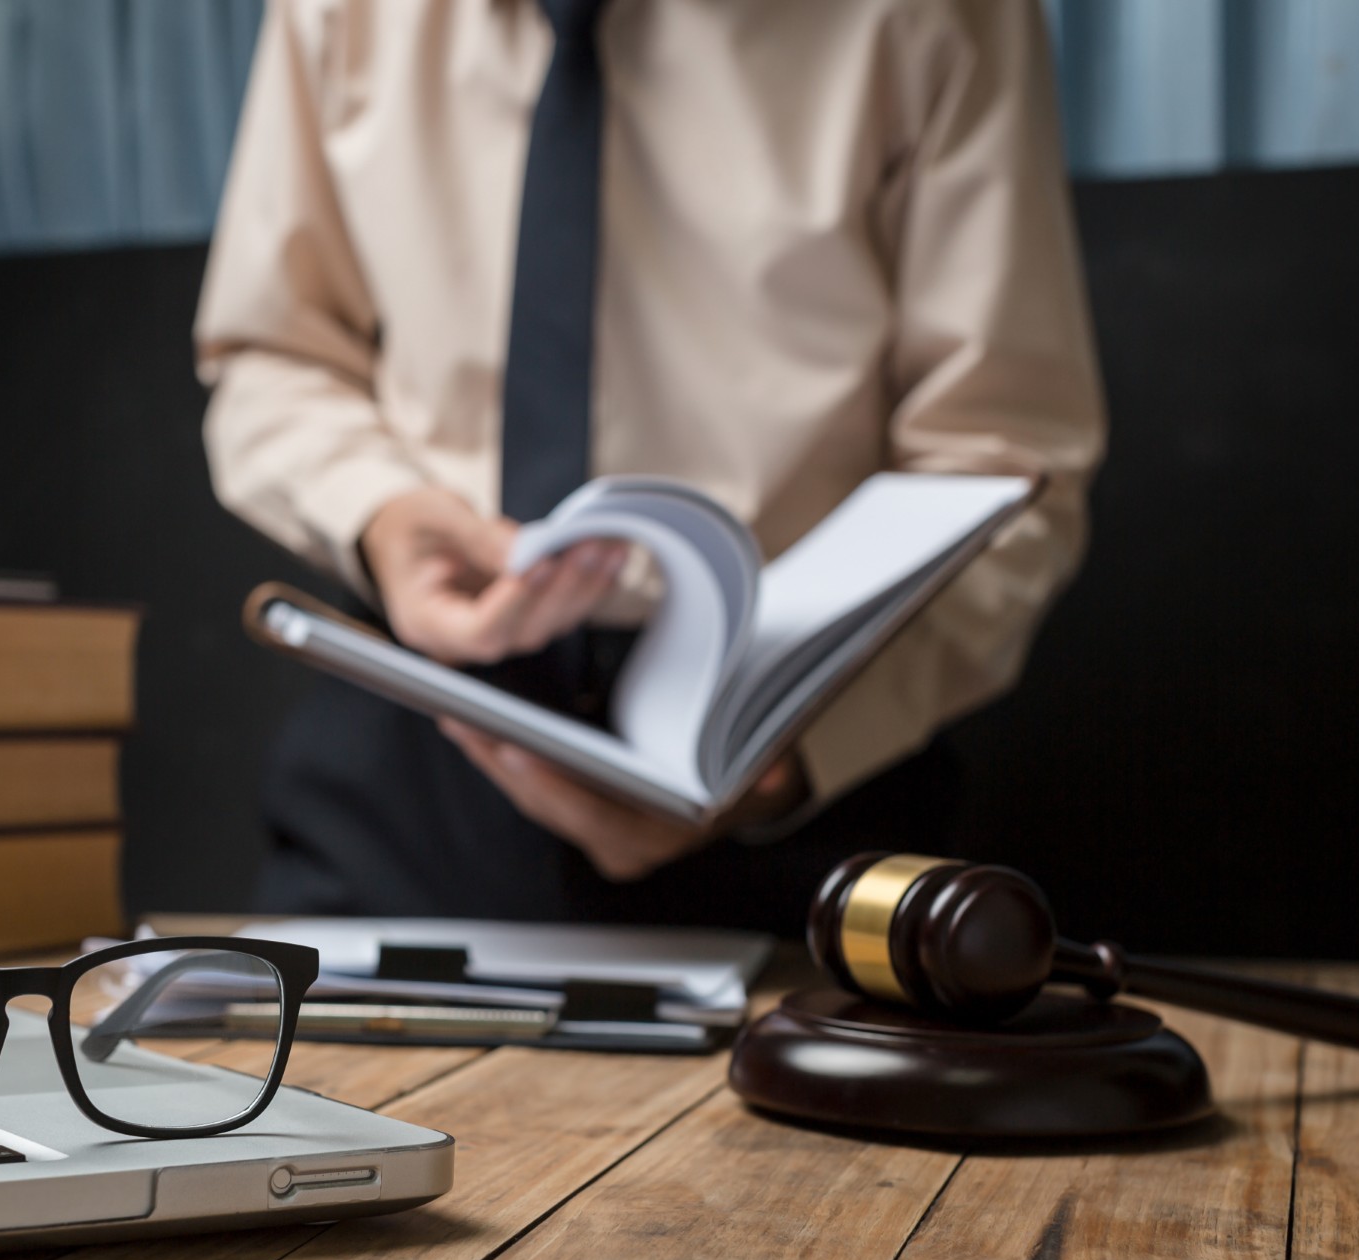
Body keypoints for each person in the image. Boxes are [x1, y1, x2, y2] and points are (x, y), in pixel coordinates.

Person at [193, 0, 1105, 930]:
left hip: (797, 782)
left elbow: (1004, 458)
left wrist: (787, 755)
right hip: (416, 744)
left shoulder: (944, 18)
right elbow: (274, 356)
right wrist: (379, 512)